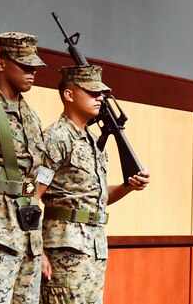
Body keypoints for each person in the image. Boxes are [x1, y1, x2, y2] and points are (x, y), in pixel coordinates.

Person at [38, 65, 150, 304]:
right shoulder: (55, 137)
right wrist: (37, 251)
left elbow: (96, 197)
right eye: (91, 92)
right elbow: (31, 196)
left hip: (94, 248)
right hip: (64, 250)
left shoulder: (92, 141)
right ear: (68, 95)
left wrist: (127, 186)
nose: (99, 98)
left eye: (100, 93)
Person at [0, 32, 51, 304]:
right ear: (1, 64)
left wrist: (38, 200)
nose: (32, 72)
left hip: (27, 234)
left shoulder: (31, 114)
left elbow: (41, 167)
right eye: (24, 65)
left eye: (34, 67)